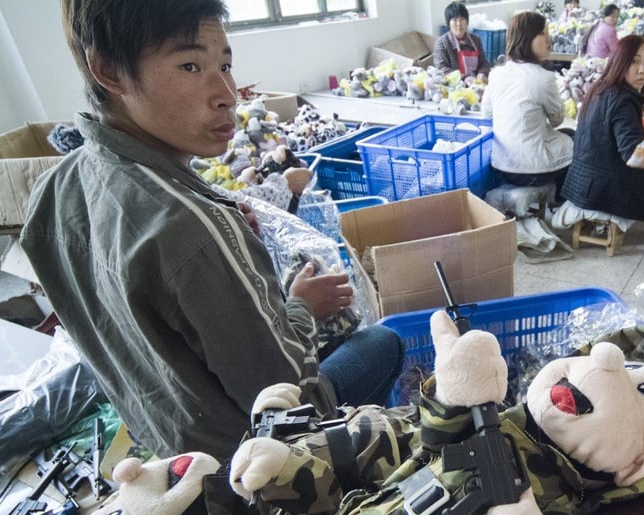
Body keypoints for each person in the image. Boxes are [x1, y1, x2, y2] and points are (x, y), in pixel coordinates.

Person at [20, 0, 404, 462]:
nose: (227, 93)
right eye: (190, 65)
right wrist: (301, 307)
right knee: (382, 341)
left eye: (224, 64)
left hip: (165, 439)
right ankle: (347, 470)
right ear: (110, 72)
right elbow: (283, 392)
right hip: (243, 460)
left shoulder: (54, 189)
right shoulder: (194, 226)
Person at [557, 35, 644, 247]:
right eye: (634, 61)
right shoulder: (623, 100)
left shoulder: (600, 88)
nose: (642, 69)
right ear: (619, 62)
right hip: (606, 192)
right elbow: (634, 155)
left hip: (580, 185)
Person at [481, 12, 573, 195]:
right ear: (527, 38)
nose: (549, 38)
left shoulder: (497, 73)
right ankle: (561, 201)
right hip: (532, 172)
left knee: (562, 137)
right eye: (542, 33)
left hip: (501, 166)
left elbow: (486, 114)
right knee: (577, 140)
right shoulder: (543, 78)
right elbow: (557, 120)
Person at [434, 2, 492, 78]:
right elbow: (441, 68)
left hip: (475, 82)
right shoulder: (441, 43)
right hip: (454, 85)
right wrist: (464, 78)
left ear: (467, 21)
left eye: (462, 19)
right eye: (455, 20)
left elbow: (484, 62)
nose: (459, 24)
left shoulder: (475, 40)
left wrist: (482, 73)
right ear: (449, 23)